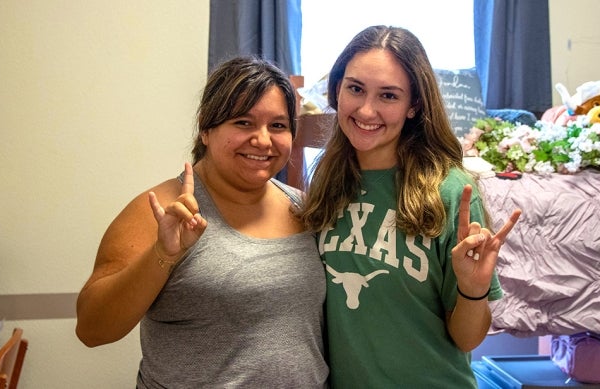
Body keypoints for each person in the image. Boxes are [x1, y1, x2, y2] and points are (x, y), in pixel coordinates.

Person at [76, 56, 328, 388]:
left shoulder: (304, 207)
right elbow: (92, 330)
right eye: (243, 122)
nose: (263, 140)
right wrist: (162, 254)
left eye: (278, 126)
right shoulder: (161, 210)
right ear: (205, 129)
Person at [298, 26, 522, 388]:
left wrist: (472, 288)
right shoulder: (325, 181)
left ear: (414, 105)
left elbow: (467, 339)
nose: (367, 109)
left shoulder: (451, 193)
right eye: (355, 88)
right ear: (337, 90)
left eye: (388, 95)